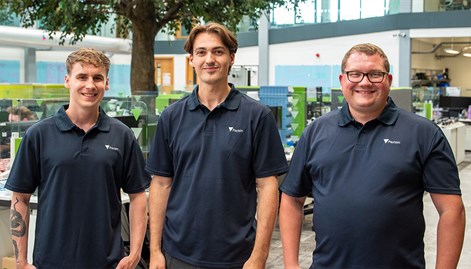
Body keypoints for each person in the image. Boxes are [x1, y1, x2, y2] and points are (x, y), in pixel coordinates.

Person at [279, 43, 466, 269]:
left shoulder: (423, 133)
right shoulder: (315, 132)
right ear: (342, 81)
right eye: (355, 74)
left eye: (375, 74)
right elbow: (291, 200)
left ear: (388, 80)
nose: (364, 82)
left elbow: (452, 210)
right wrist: (291, 264)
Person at [146, 22, 288, 269]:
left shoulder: (257, 116)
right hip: (177, 253)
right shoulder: (171, 117)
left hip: (237, 256)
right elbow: (160, 183)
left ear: (231, 58)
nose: (209, 59)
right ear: (191, 59)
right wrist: (155, 250)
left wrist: (259, 256)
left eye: (218, 51)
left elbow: (268, 187)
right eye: (201, 52)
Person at [5, 48, 151, 269]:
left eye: (97, 78)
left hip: (107, 263)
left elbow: (138, 197)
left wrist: (135, 254)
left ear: (107, 83)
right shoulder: (39, 135)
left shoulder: (122, 135)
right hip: (51, 262)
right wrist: (21, 262)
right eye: (82, 77)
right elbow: (20, 198)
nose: (90, 85)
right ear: (67, 81)